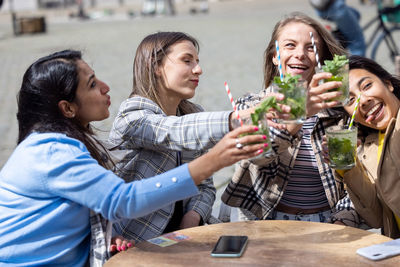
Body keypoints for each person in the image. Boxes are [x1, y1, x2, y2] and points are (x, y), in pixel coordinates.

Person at [0, 50, 267, 266]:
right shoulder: (53, 151)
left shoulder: (62, 144)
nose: (105, 88)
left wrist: (105, 235)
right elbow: (122, 200)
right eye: (92, 84)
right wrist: (215, 157)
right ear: (67, 108)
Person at [108, 31, 284, 243]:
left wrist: (190, 222)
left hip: (185, 237)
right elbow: (172, 131)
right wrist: (238, 119)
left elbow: (205, 187)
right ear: (155, 67)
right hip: (135, 242)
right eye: (187, 61)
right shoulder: (131, 117)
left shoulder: (193, 114)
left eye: (197, 62)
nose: (198, 70)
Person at [222, 12, 361, 226]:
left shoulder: (342, 114)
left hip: (329, 222)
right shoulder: (249, 106)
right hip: (266, 222)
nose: (300, 54)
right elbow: (259, 156)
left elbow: (357, 184)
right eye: (290, 45)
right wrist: (298, 116)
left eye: (310, 47)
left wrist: (344, 219)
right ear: (275, 56)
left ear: (320, 59)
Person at [330, 55, 400, 238]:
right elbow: (376, 217)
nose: (362, 100)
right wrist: (348, 169)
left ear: (388, 84)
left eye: (367, 86)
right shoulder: (369, 147)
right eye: (350, 100)